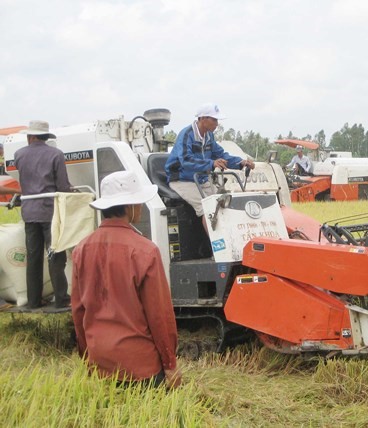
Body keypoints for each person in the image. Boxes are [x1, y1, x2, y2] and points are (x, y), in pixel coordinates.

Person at [71, 170, 181, 389]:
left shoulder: (81, 249)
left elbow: (78, 311)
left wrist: (88, 359)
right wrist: (170, 364)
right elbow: (159, 315)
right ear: (130, 207)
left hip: (100, 363)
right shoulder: (145, 250)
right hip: (140, 368)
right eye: (138, 202)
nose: (140, 207)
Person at [165, 103, 255, 233]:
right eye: (214, 119)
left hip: (200, 179)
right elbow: (185, 160)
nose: (217, 124)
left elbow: (221, 155)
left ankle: (231, 240)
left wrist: (241, 162)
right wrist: (211, 163)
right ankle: (218, 249)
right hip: (181, 179)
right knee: (207, 209)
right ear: (203, 119)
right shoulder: (186, 134)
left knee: (224, 204)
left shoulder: (209, 137)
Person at [14, 121, 72, 309]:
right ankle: (61, 299)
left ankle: (33, 301)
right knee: (55, 254)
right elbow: (63, 186)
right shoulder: (56, 154)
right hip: (49, 212)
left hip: (29, 213)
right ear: (46, 137)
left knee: (33, 257)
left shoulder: (19, 155)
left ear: (30, 136)